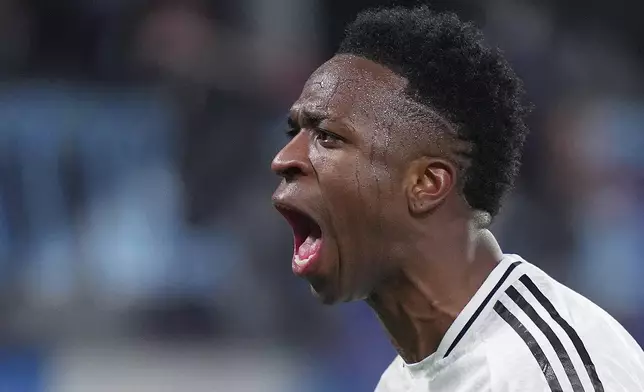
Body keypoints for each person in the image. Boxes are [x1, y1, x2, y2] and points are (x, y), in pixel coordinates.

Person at [270, 5, 644, 392]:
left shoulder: (540, 373)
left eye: (328, 137)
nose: (284, 159)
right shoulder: (402, 379)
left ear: (426, 184)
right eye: (293, 133)